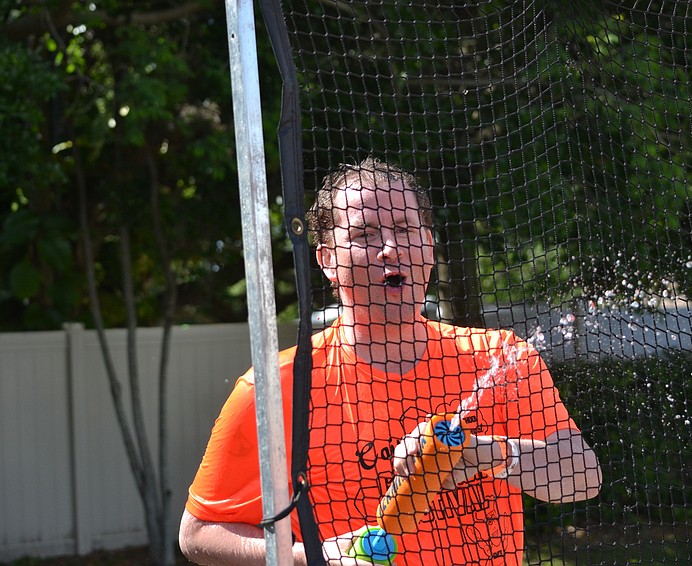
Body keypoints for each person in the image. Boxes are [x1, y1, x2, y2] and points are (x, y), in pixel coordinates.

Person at [178, 157, 601, 565]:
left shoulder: (500, 357)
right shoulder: (278, 386)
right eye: (365, 234)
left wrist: (485, 452)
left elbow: (584, 477)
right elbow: (198, 534)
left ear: (429, 246)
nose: (391, 248)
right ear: (327, 260)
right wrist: (315, 558)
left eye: (404, 229)